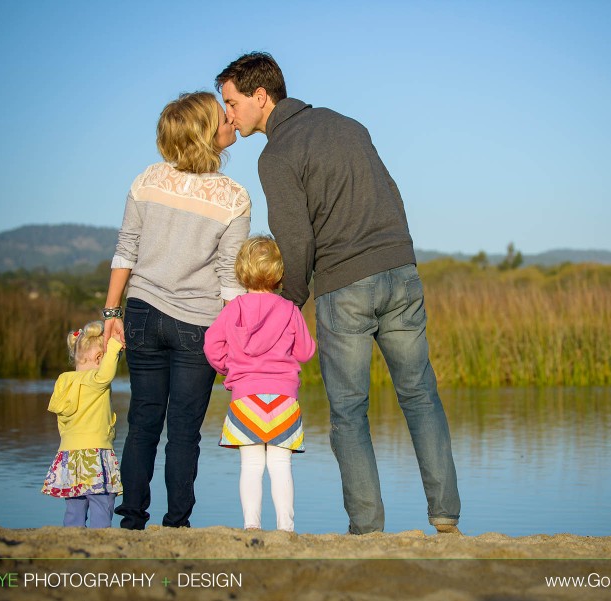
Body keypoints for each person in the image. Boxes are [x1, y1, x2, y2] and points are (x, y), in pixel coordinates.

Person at [215, 52, 461, 535]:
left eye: (231, 102)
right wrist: (401, 257)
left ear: (260, 97)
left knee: (349, 412)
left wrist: (284, 307)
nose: (228, 114)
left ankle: (368, 530)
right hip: (399, 269)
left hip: (345, 285)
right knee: (421, 396)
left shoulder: (277, 155)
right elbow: (392, 192)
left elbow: (296, 241)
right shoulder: (348, 125)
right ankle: (446, 515)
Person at [103, 91, 251, 530]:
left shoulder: (147, 180)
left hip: (142, 313)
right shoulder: (234, 197)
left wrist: (111, 315)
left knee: (143, 421)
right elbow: (230, 278)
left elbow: (125, 250)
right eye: (221, 116)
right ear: (207, 133)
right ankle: (176, 525)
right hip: (199, 323)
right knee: (184, 431)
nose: (230, 119)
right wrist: (234, 341)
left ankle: (131, 520)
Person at [203, 235, 316, 532]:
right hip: (283, 400)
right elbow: (306, 351)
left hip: (245, 399)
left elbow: (211, 345)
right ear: (278, 273)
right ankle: (285, 528)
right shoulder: (289, 310)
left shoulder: (234, 309)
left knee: (251, 467)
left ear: (242, 271)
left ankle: (251, 525)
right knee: (281, 467)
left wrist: (230, 367)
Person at [42, 321, 123, 528]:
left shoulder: (63, 382)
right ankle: (100, 540)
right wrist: (114, 345)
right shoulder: (95, 380)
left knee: (75, 504)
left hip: (69, 454)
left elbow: (62, 422)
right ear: (99, 358)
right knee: (102, 501)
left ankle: (72, 536)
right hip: (95, 452)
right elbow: (105, 374)